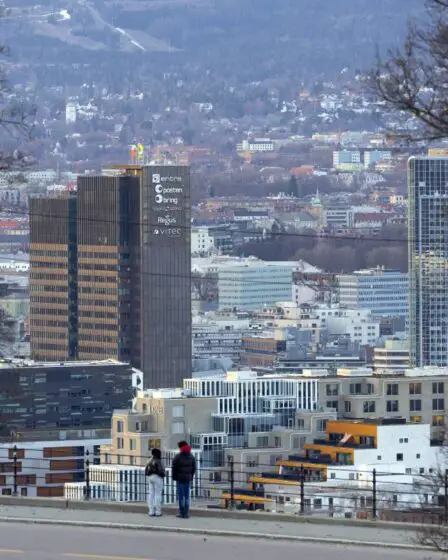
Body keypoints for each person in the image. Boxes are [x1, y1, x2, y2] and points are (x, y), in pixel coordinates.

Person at [172, 440, 196, 518]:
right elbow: (194, 468)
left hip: (179, 478)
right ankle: (186, 513)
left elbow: (174, 468)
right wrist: (191, 476)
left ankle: (181, 512)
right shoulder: (191, 456)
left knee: (181, 496)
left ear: (180, 447)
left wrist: (174, 477)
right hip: (188, 478)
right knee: (187, 496)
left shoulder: (177, 456)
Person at [145, 448, 165, 517]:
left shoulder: (149, 461)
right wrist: (163, 474)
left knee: (151, 494)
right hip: (157, 478)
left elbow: (146, 471)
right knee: (158, 495)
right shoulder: (158, 461)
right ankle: (158, 511)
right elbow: (161, 471)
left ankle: (151, 511)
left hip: (150, 478)